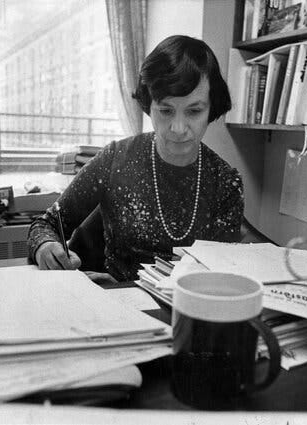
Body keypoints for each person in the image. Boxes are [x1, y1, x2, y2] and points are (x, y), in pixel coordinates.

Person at [27, 35, 244, 282]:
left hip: (187, 311)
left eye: (194, 111)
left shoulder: (225, 183)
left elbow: (221, 275)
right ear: (148, 105)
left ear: (211, 108)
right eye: (165, 110)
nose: (178, 128)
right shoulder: (115, 159)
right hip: (114, 306)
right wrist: (46, 246)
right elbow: (45, 225)